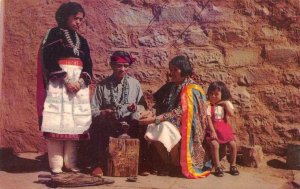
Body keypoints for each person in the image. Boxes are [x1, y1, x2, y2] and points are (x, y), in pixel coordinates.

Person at [36, 2, 93, 174]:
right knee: (57, 121)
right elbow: (49, 60)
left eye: (81, 20)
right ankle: (56, 165)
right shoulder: (53, 34)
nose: (78, 23)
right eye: (75, 18)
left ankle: (71, 162)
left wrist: (81, 82)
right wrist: (66, 80)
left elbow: (88, 66)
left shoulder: (82, 41)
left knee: (73, 123)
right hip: (59, 84)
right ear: (65, 16)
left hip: (78, 88)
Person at [139, 55, 211, 178]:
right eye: (171, 69)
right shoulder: (170, 86)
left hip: (187, 127)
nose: (171, 73)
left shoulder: (192, 88)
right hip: (168, 121)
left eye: (175, 69)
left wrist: (157, 118)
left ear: (183, 70)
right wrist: (150, 112)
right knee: (152, 127)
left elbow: (180, 111)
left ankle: (176, 165)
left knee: (164, 127)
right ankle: (168, 164)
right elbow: (160, 105)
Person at [90, 51, 149, 177]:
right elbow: (93, 109)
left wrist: (136, 107)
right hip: (110, 122)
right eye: (119, 66)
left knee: (141, 124)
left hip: (129, 121)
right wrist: (103, 112)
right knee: (98, 124)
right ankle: (98, 165)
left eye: (126, 66)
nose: (123, 69)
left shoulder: (135, 84)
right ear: (112, 65)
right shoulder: (102, 85)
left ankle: (142, 166)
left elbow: (143, 106)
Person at [206, 81, 239, 177]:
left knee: (233, 144)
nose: (213, 96)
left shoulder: (226, 103)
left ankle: (233, 165)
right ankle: (217, 166)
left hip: (224, 129)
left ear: (222, 94)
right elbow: (208, 119)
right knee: (215, 144)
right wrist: (212, 131)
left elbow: (231, 114)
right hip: (213, 129)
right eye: (211, 94)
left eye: (216, 94)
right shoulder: (208, 105)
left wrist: (224, 103)